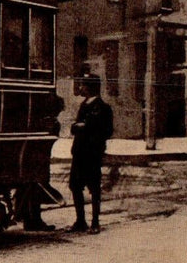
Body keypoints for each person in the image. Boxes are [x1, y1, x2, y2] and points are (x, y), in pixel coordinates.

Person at [68, 73, 114, 234]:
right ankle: (80, 221)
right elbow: (74, 127)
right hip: (79, 152)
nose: (80, 88)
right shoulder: (84, 105)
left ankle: (95, 222)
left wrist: (85, 127)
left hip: (92, 154)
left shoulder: (102, 107)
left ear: (90, 87)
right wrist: (83, 126)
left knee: (94, 188)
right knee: (75, 186)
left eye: (82, 85)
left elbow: (106, 131)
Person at [17, 91, 65, 231]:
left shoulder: (39, 121)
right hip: (39, 160)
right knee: (36, 188)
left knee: (28, 188)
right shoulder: (52, 123)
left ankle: (28, 218)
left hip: (31, 158)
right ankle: (33, 220)